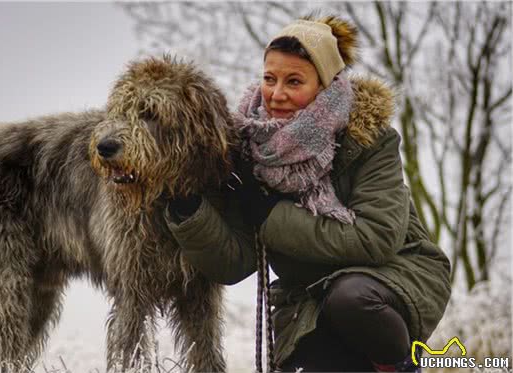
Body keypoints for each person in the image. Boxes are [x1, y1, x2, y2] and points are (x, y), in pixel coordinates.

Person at [164, 14, 452, 372]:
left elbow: (376, 239)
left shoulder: (368, 139)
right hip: (308, 296)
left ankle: (401, 366)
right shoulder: (247, 150)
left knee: (351, 299)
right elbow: (234, 262)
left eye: (294, 81)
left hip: (392, 275)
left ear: (325, 85)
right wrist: (190, 211)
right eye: (270, 78)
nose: (277, 94)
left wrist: (270, 216)